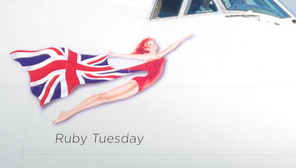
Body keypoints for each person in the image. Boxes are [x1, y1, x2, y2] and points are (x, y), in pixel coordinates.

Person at [53, 34, 193, 124]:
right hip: (139, 82)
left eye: (154, 42)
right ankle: (68, 113)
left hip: (141, 87)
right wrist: (116, 54)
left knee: (104, 100)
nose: (154, 44)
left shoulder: (159, 55)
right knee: (103, 96)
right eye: (151, 43)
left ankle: (68, 113)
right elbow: (132, 57)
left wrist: (184, 38)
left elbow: (171, 47)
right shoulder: (147, 56)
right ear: (146, 48)